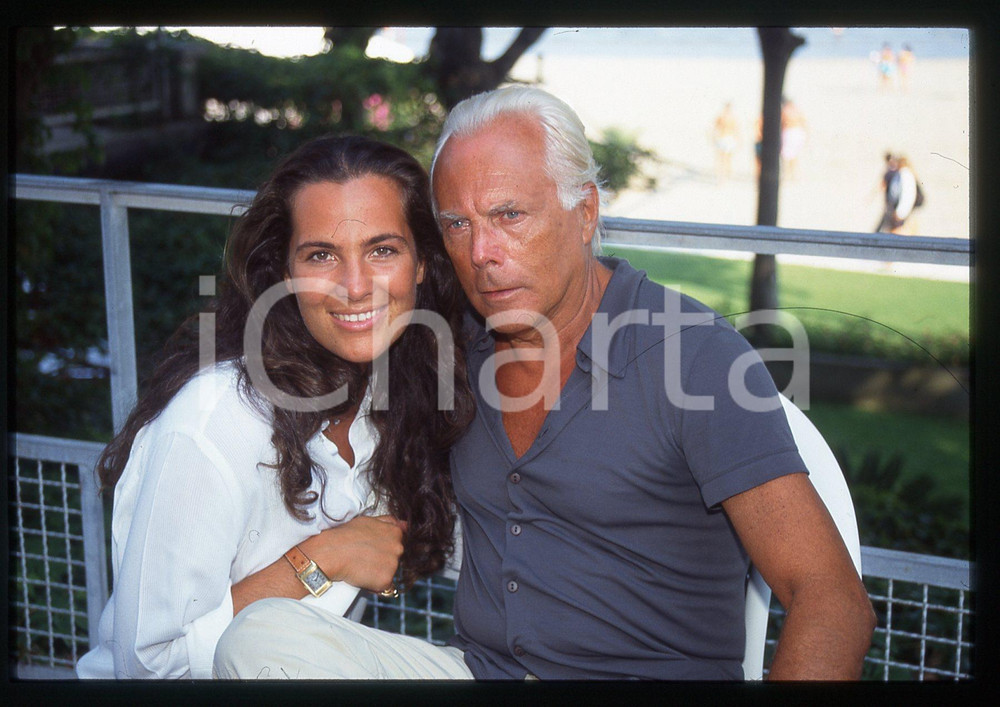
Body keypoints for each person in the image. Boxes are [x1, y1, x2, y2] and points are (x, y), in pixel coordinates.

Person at [214, 87, 875, 680]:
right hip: (479, 672)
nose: (482, 254)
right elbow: (333, 323)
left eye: (510, 216)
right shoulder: (453, 346)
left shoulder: (695, 359)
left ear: (585, 212)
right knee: (259, 639)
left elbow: (832, 598)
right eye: (458, 225)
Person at [75, 135, 474, 679]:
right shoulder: (218, 419)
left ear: (422, 263)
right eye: (321, 255)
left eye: (382, 250)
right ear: (285, 274)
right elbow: (146, 666)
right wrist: (322, 559)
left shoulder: (397, 390)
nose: (356, 287)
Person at [711, 102, 740, 182]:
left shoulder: (731, 118)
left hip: (728, 138)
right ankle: (721, 176)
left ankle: (725, 175)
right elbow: (714, 128)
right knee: (722, 158)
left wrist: (738, 139)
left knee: (727, 158)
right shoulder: (722, 117)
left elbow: (736, 130)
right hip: (723, 138)